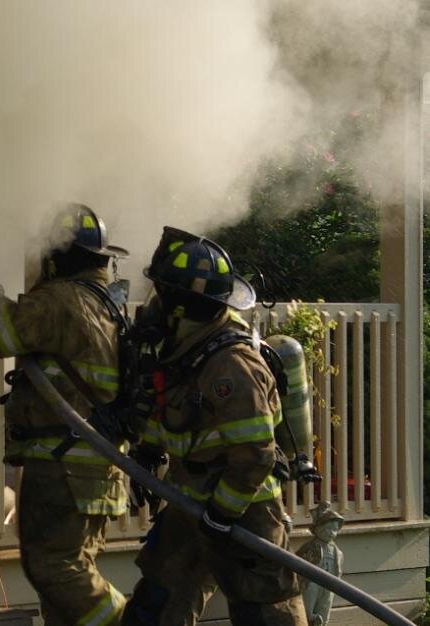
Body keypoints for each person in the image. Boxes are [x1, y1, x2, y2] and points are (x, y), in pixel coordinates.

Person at [122, 228, 308, 626]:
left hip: (245, 510)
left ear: (179, 305)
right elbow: (175, 416)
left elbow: (254, 456)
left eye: (162, 293)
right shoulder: (183, 350)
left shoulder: (231, 365)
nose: (154, 304)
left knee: (265, 614)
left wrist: (222, 513)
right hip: (189, 503)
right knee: (155, 607)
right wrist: (147, 451)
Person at [0, 203, 130, 626]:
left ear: (56, 255)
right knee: (68, 579)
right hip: (99, 465)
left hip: (64, 464)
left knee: (54, 568)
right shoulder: (108, 304)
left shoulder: (59, 299)